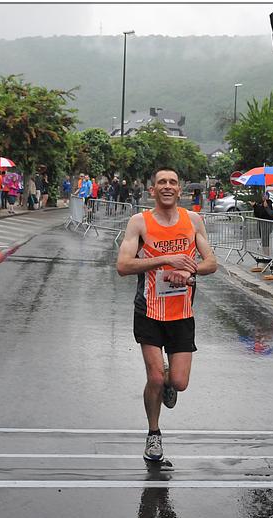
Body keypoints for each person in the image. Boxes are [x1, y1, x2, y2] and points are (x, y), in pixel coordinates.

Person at [117, 167, 217, 462]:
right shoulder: (140, 222)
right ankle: (154, 434)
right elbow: (123, 265)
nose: (168, 186)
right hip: (148, 310)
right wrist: (165, 260)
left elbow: (211, 261)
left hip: (182, 312)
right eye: (162, 182)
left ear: (180, 189)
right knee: (156, 379)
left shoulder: (193, 220)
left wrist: (189, 269)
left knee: (179, 382)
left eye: (173, 182)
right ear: (153, 190)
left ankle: (167, 381)